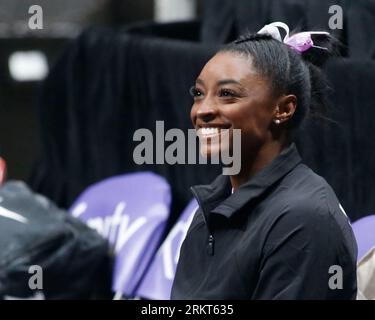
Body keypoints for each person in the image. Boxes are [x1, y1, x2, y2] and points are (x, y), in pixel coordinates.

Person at [171, 22, 357, 300]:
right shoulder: (214, 203)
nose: (203, 110)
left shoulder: (304, 220)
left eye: (227, 94)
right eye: (198, 93)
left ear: (283, 109)